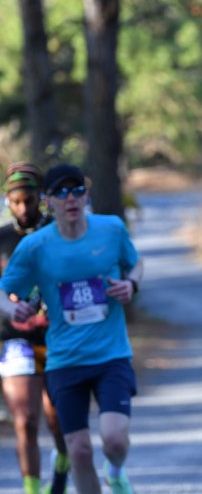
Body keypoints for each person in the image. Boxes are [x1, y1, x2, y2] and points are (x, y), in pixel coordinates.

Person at [0, 163, 143, 494]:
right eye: (62, 192)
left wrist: (131, 284)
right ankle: (39, 486)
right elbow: (4, 290)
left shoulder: (110, 229)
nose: (71, 198)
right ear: (50, 200)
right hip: (63, 359)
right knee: (75, 447)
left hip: (111, 355)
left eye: (77, 190)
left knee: (114, 440)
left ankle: (116, 471)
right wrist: (12, 307)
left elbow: (135, 262)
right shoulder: (35, 247)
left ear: (86, 195)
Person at [0, 162, 69, 494]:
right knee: (25, 420)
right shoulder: (1, 239)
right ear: (7, 202)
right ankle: (31, 489)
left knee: (58, 419)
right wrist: (11, 307)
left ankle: (62, 463)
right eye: (16, 201)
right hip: (16, 338)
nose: (23, 208)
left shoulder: (60, 231)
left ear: (41, 198)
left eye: (29, 200)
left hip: (59, 337)